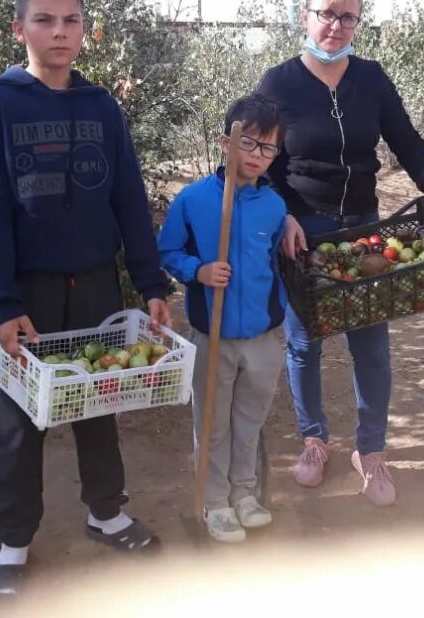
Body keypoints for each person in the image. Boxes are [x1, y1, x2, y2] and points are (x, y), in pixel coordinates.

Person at [0, 0, 172, 595]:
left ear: (86, 29)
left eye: (71, 20)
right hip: (27, 292)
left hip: (96, 287)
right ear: (20, 28)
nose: (59, 32)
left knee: (98, 402)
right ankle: (13, 541)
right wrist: (2, 304)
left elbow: (128, 200)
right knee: (20, 419)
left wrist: (150, 282)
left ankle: (105, 513)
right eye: (45, 20)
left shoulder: (101, 106)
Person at [255, 0, 424, 506]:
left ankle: (371, 453)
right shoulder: (279, 84)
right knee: (305, 344)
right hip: (304, 229)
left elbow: (406, 139)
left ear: (357, 23)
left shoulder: (371, 78)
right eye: (327, 14)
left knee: (372, 347)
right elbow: (261, 160)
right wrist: (283, 216)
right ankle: (314, 441)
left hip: (365, 228)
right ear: (306, 17)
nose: (336, 26)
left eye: (348, 17)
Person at [157, 94, 288, 543]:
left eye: (268, 149)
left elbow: (274, 264)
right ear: (225, 142)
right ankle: (214, 501)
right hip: (211, 335)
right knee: (212, 425)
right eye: (249, 144)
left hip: (264, 336)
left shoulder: (274, 207)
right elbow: (168, 251)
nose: (257, 157)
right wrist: (198, 271)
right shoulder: (193, 201)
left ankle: (244, 493)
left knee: (249, 422)